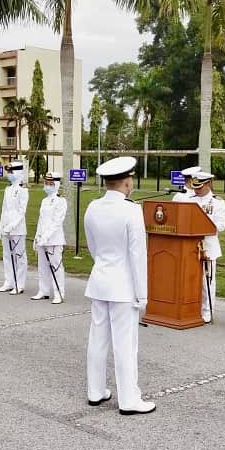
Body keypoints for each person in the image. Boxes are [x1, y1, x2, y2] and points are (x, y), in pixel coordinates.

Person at [84, 156, 155, 416]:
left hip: (100, 281)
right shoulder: (131, 210)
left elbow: (92, 246)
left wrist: (104, 264)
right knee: (126, 344)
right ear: (127, 182)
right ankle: (129, 399)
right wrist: (143, 295)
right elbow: (138, 255)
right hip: (124, 286)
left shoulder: (93, 207)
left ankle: (95, 391)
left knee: (97, 339)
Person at [188, 171, 225, 323]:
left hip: (208, 246)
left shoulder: (217, 202)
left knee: (207, 281)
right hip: (188, 247)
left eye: (199, 187)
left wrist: (202, 224)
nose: (196, 190)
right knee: (190, 280)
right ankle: (191, 308)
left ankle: (207, 311)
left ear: (208, 184)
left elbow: (221, 226)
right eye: (195, 187)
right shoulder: (189, 200)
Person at [31, 171, 67, 304]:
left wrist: (46, 237)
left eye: (50, 183)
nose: (47, 186)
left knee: (56, 266)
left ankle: (59, 293)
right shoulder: (44, 201)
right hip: (42, 239)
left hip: (54, 240)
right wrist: (37, 237)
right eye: (46, 183)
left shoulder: (61, 201)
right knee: (42, 266)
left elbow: (57, 222)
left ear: (56, 184)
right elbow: (41, 221)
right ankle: (43, 290)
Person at [0, 162, 28, 295]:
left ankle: (19, 284)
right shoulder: (7, 190)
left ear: (18, 173)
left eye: (11, 172)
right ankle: (8, 281)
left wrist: (11, 226)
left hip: (18, 229)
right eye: (8, 172)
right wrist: (1, 226)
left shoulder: (23, 191)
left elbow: (21, 212)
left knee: (19, 256)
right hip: (6, 229)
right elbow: (4, 209)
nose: (9, 174)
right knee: (7, 256)